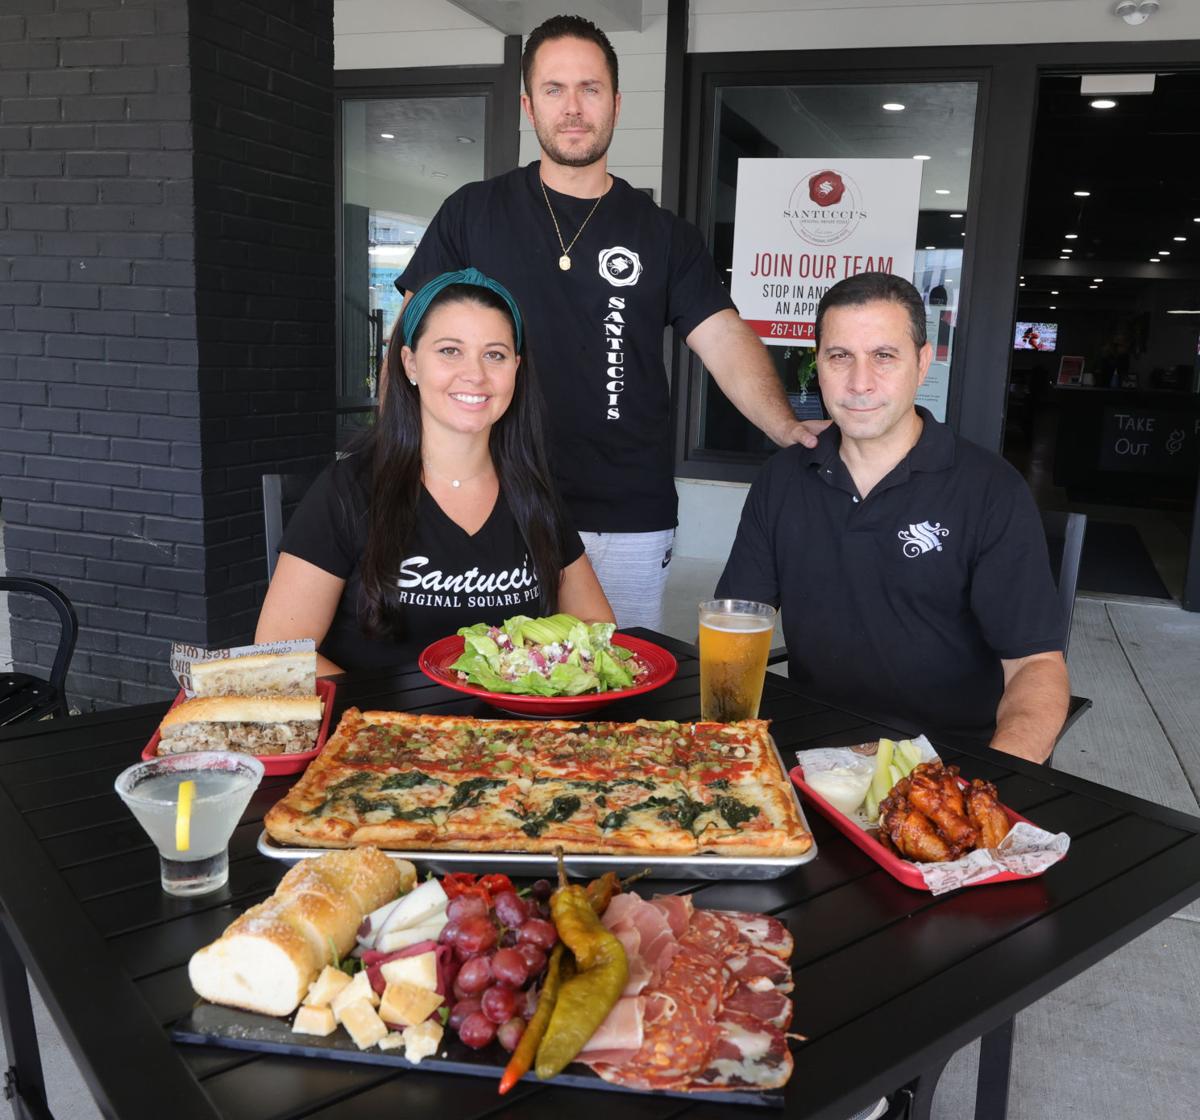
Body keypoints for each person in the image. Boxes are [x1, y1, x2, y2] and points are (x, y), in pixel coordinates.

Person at [395, 14, 823, 631]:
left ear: (617, 103)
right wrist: (399, 458)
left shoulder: (665, 235)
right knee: (493, 686)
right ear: (528, 104)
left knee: (613, 691)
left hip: (625, 511)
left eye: (590, 89)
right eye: (554, 89)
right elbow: (409, 335)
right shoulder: (471, 213)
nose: (573, 108)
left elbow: (724, 338)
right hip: (493, 494)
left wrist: (784, 424)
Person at [716, 272, 1069, 762]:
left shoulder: (990, 489)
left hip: (949, 760)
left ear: (923, 364)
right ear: (816, 364)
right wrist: (726, 746)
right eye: (840, 356)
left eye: (884, 356)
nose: (860, 383)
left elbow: (1035, 665)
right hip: (816, 754)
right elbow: (735, 626)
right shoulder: (783, 478)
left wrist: (988, 781)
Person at [256, 268, 613, 674]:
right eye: (449, 350)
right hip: (378, 731)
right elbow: (276, 652)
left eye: (494, 354)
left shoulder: (533, 490)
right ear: (410, 363)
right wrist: (388, 727)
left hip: (511, 730)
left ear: (516, 367)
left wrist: (533, 673)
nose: (475, 374)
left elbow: (596, 624)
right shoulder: (348, 490)